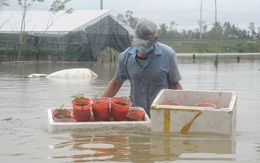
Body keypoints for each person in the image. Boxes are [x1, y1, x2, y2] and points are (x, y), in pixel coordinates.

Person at [102, 18, 183, 117]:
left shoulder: (168, 55)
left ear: (155, 40)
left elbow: (174, 84)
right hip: (136, 114)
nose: (141, 49)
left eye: (145, 44)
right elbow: (116, 83)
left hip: (161, 113)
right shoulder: (125, 56)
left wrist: (183, 110)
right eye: (139, 43)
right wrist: (99, 104)